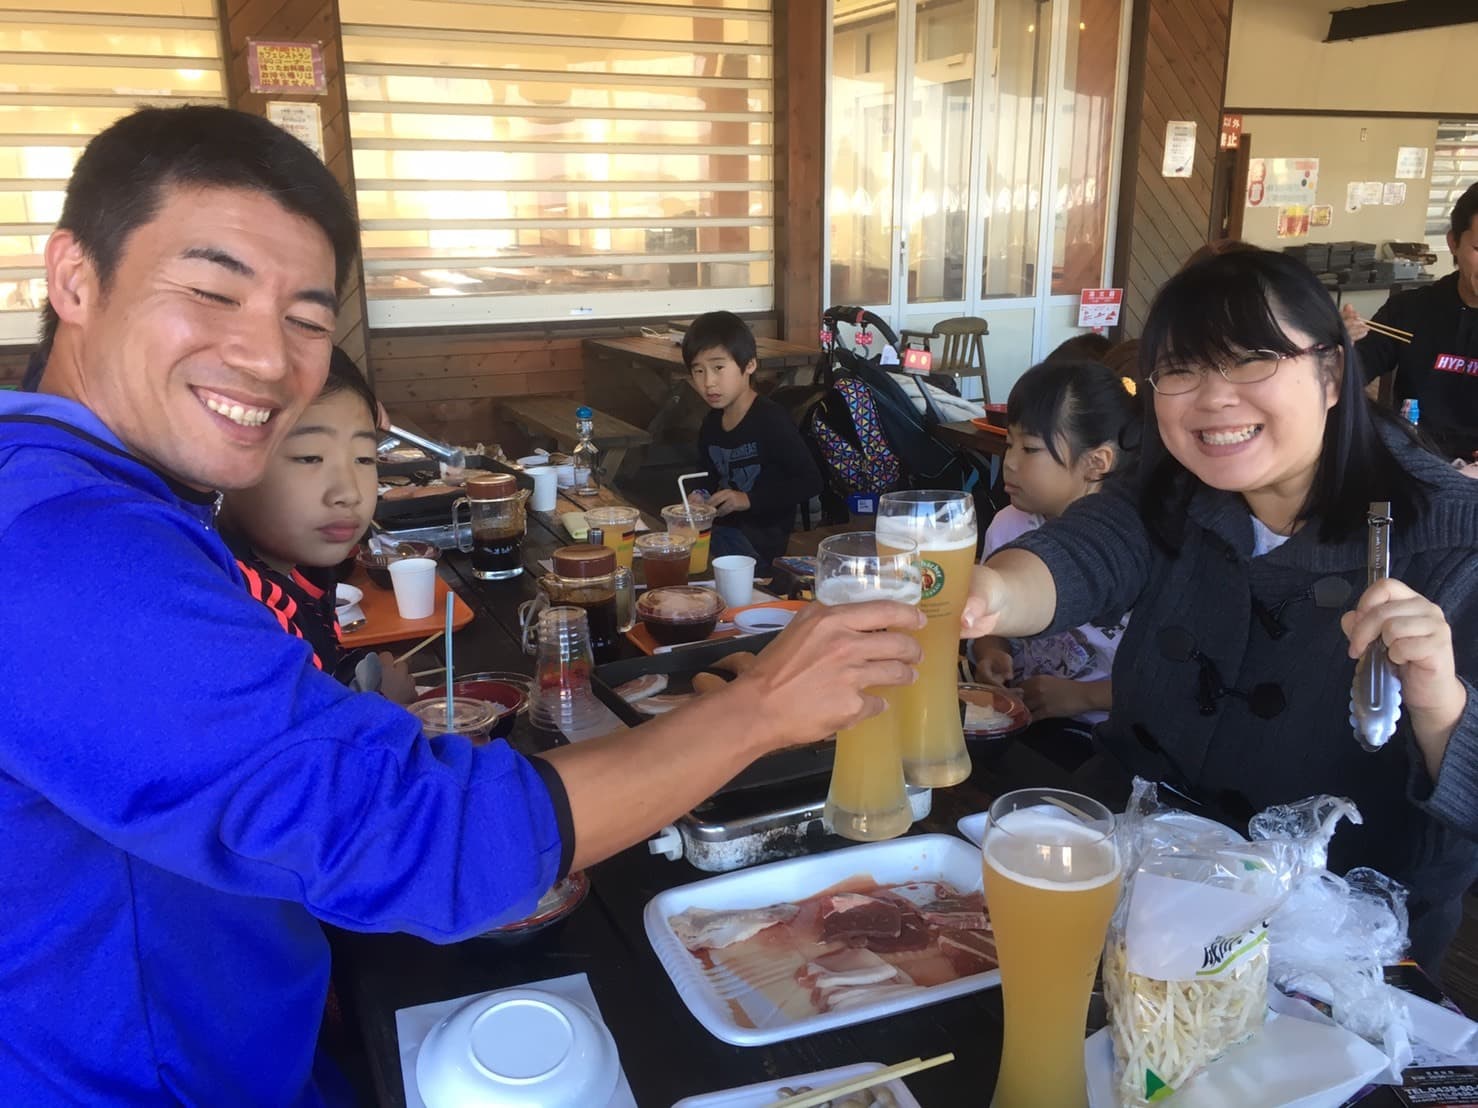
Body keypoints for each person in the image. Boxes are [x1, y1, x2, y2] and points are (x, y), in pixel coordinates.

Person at [0, 105, 923, 1105]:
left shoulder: (98, 499)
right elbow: (413, 833)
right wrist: (761, 710)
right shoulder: (59, 547)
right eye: (212, 290)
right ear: (75, 278)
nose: (267, 358)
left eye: (305, 319)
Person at [961, 248, 1478, 969]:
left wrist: (1441, 707)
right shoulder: (1174, 489)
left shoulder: (1453, 536)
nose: (1213, 399)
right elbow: (1083, 553)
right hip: (1139, 876)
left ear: (1332, 374)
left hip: (1328, 940)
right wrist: (986, 595)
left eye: (1252, 360)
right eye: (1181, 370)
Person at [219, 345, 416, 700]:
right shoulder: (241, 614)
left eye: (364, 458)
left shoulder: (298, 572)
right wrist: (387, 707)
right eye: (309, 457)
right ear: (222, 458)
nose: (349, 492)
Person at [972, 360, 1139, 761]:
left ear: (1097, 462)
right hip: (1021, 718)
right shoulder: (1009, 524)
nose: (1010, 462)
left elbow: (1168, 679)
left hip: (1105, 733)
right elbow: (991, 622)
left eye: (1030, 448)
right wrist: (991, 651)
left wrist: (1081, 696)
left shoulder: (1136, 544)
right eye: (1009, 443)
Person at [1343, 182, 1478, 461]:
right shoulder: (1410, 309)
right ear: (1453, 243)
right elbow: (1351, 374)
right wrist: (1336, 349)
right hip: (1415, 456)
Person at [686, 310, 823, 567]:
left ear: (749, 365)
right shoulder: (711, 423)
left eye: (718, 368)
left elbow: (810, 481)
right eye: (698, 371)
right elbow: (706, 474)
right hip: (721, 531)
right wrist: (699, 494)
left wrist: (748, 499)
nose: (709, 382)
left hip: (761, 542)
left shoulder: (770, 419)